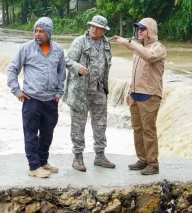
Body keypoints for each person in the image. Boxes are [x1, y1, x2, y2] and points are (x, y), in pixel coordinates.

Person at [7, 17, 66, 178]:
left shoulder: (58, 50)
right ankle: (33, 167)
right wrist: (17, 91)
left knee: (47, 134)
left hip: (51, 101)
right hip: (31, 100)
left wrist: (59, 93)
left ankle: (43, 161)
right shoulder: (26, 48)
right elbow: (12, 70)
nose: (37, 34)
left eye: (42, 31)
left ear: (49, 33)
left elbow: (61, 73)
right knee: (31, 135)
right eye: (36, 30)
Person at [114, 17, 166, 175]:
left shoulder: (158, 47)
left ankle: (153, 163)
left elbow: (149, 57)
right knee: (137, 129)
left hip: (150, 95)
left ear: (150, 31)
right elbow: (136, 74)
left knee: (148, 130)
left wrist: (130, 44)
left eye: (142, 29)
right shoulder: (138, 49)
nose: (139, 31)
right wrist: (130, 91)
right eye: (138, 29)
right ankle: (142, 159)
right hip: (136, 95)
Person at [64, 15, 115, 172]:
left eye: (98, 27)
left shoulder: (106, 44)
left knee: (100, 123)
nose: (94, 29)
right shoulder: (80, 41)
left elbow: (107, 66)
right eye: (92, 26)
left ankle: (100, 155)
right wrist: (77, 67)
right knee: (78, 124)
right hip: (81, 90)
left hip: (99, 90)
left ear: (103, 30)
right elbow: (66, 60)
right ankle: (77, 156)